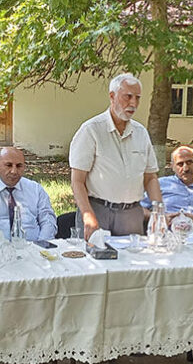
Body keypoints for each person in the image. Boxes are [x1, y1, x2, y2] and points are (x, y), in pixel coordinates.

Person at [69, 73, 162, 239]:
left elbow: (150, 178)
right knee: (93, 261)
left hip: (132, 214)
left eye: (138, 98)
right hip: (97, 210)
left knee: (134, 262)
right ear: (112, 96)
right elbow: (77, 181)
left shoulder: (141, 133)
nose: (133, 103)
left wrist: (159, 212)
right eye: (128, 97)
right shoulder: (91, 130)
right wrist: (88, 216)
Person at [0, 147, 57, 244]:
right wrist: (4, 251)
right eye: (8, 165)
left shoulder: (36, 189)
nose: (14, 171)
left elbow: (48, 220)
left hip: (35, 249)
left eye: (19, 166)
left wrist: (42, 244)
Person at [141, 146, 193, 231]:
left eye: (189, 162)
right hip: (170, 237)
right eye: (180, 164)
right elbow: (139, 209)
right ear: (172, 166)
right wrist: (160, 218)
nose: (185, 168)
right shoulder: (160, 185)